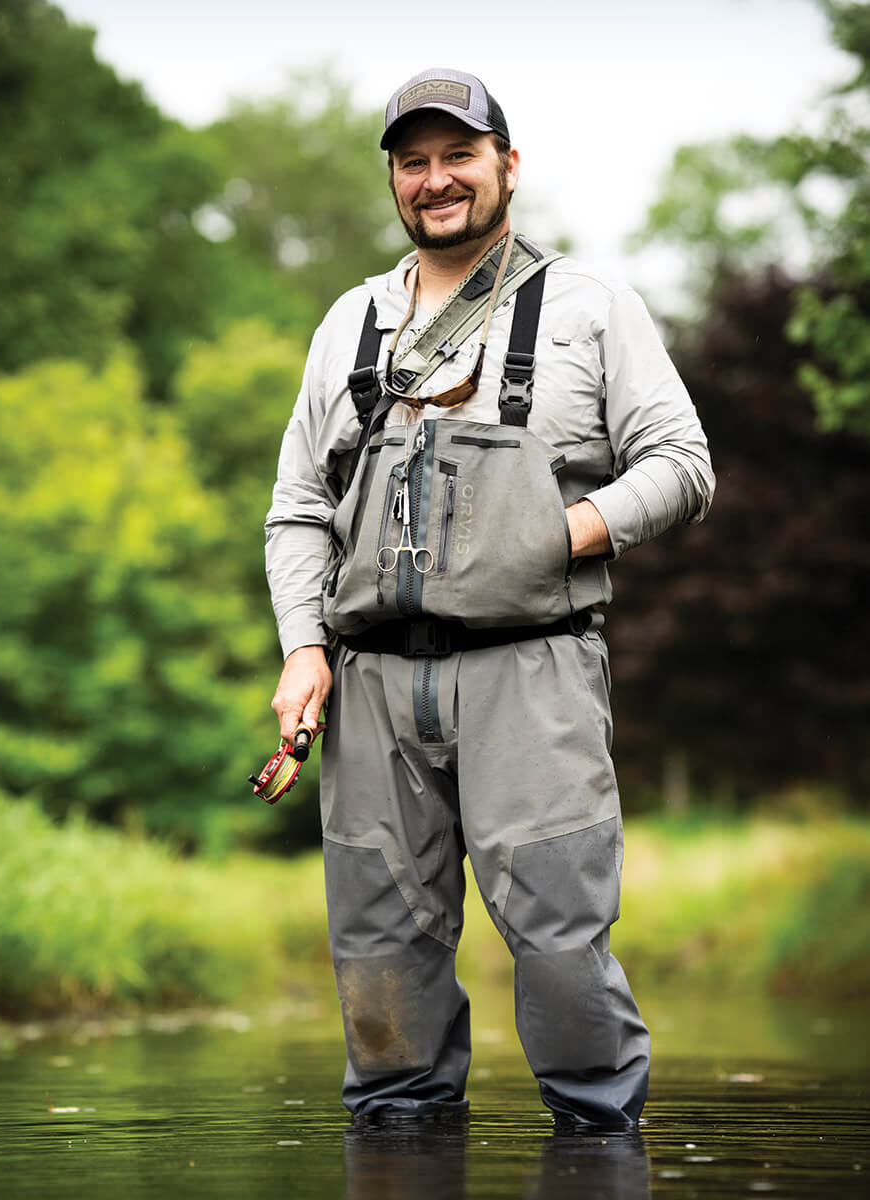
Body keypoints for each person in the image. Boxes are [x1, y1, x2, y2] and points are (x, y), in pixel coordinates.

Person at [265, 67, 714, 1132]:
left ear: (508, 166)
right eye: (413, 162)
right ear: (394, 179)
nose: (436, 180)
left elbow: (682, 464)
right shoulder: (348, 322)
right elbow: (298, 509)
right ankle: (400, 1146)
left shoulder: (594, 307)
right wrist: (303, 649)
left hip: (534, 666)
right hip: (370, 684)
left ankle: (598, 1142)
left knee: (560, 942)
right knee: (380, 958)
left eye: (458, 155)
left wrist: (554, 535)